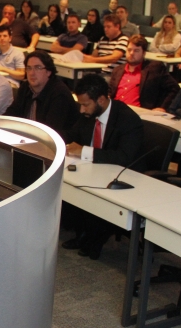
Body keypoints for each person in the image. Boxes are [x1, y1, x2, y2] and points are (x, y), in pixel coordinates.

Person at [61, 74, 143, 259]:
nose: (81, 110)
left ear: (101, 99)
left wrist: (84, 151)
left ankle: (93, 238)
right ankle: (83, 234)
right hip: (94, 169)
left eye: (85, 104)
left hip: (122, 175)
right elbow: (72, 134)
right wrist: (50, 137)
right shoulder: (90, 114)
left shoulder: (127, 119)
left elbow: (124, 157)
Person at [4, 51, 79, 139]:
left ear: (49, 71)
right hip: (28, 138)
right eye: (29, 68)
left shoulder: (59, 93)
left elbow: (50, 131)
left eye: (38, 68)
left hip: (54, 143)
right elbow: (12, 113)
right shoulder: (26, 87)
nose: (32, 73)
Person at [109, 35, 179, 110]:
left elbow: (174, 88)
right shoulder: (117, 70)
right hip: (115, 111)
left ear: (144, 53)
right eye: (129, 50)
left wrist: (163, 107)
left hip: (138, 113)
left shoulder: (155, 68)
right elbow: (109, 93)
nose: (131, 53)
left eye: (136, 50)